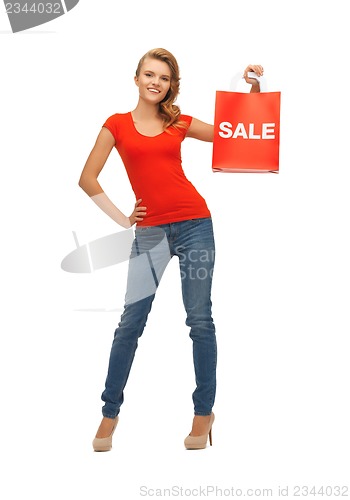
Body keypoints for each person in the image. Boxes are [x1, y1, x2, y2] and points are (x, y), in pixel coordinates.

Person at [78, 48, 263, 451]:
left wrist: (253, 88)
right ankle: (109, 413)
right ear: (137, 78)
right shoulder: (116, 125)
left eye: (163, 78)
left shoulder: (176, 121)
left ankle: (203, 413)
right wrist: (124, 219)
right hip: (150, 235)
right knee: (131, 321)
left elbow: (234, 131)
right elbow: (87, 178)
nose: (155, 82)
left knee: (199, 320)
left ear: (169, 86)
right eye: (149, 74)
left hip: (195, 224)